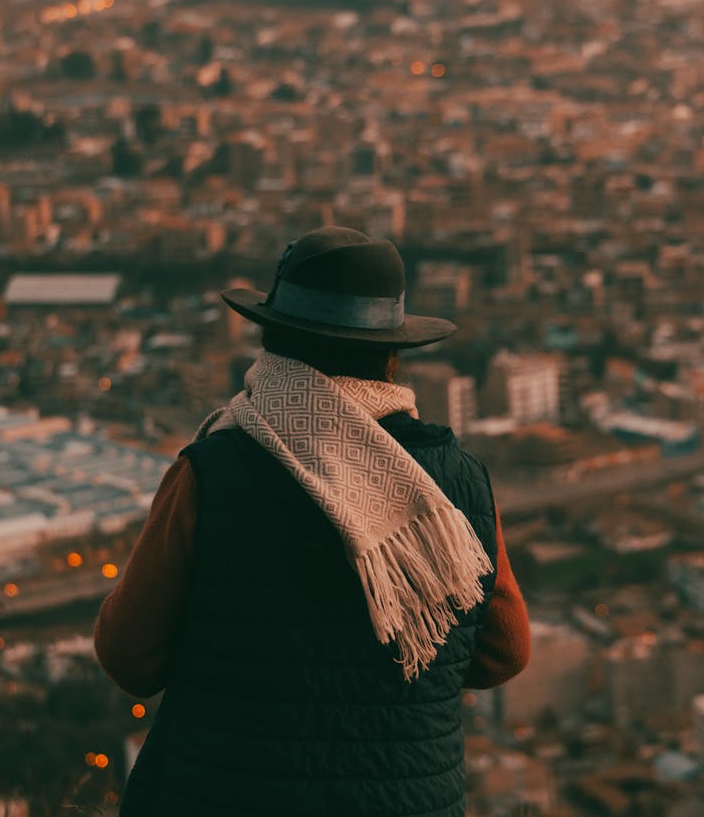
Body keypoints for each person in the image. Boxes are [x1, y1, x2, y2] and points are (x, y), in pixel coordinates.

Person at [95, 226, 530, 817]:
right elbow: (503, 652)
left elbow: (128, 655)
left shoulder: (212, 473)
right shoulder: (454, 487)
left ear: (273, 341)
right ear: (392, 354)